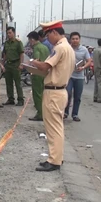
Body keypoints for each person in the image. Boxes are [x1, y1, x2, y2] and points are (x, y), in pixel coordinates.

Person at [30, 20, 75, 172]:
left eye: (48, 34)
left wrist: (32, 62)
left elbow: (45, 66)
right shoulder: (68, 48)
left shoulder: (60, 48)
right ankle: (56, 157)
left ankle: (54, 160)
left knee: (53, 128)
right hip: (60, 91)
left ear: (54, 32)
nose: (47, 38)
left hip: (54, 92)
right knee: (57, 127)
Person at [64, 32, 92, 122]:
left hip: (79, 77)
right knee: (67, 94)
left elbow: (89, 61)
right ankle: (65, 112)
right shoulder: (67, 48)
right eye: (73, 39)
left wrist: (83, 67)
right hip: (69, 76)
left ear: (79, 39)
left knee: (77, 96)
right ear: (70, 40)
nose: (75, 40)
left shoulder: (84, 50)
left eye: (76, 39)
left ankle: (75, 114)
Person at [27, 31, 50, 121]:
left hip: (37, 73)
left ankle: (40, 113)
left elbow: (36, 60)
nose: (30, 43)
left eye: (29, 41)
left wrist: (29, 63)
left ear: (32, 40)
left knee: (37, 94)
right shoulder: (45, 47)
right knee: (44, 94)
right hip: (45, 73)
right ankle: (45, 112)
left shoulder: (36, 48)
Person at [2, 27, 24, 106]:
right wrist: (2, 64)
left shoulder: (18, 42)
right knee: (8, 83)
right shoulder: (6, 43)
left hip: (16, 64)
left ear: (14, 33)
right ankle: (10, 99)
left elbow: (21, 54)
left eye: (10, 33)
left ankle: (20, 99)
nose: (8, 34)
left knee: (18, 83)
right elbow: (5, 54)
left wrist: (21, 64)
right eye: (7, 33)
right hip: (8, 64)